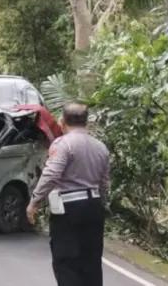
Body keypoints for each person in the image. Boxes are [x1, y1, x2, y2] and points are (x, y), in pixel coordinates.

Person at [26, 102, 110, 286]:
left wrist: (34, 202)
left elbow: (51, 174)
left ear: (62, 122)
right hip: (94, 206)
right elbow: (104, 183)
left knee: (66, 262)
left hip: (69, 210)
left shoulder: (63, 145)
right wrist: (99, 205)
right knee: (92, 261)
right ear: (86, 123)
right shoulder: (101, 147)